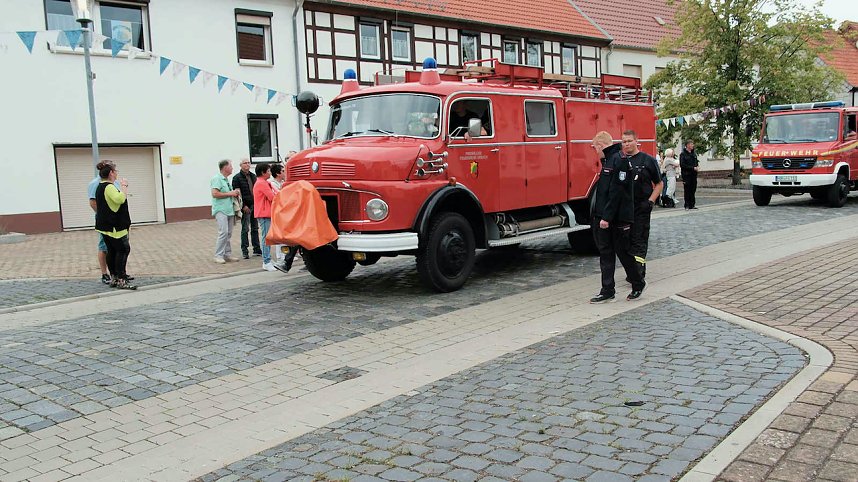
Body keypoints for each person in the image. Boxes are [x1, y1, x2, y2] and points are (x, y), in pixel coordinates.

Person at [589, 131, 645, 303]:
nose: (595, 151)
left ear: (600, 145)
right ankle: (607, 290)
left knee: (623, 252)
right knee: (606, 253)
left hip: (617, 218)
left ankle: (638, 283)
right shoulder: (608, 160)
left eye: (595, 148)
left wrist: (606, 217)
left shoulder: (618, 160)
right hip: (605, 216)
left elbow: (616, 193)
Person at [624, 130, 663, 281]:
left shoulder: (648, 160)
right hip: (626, 208)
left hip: (642, 207)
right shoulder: (621, 160)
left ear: (636, 141)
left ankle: (638, 273)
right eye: (624, 141)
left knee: (639, 239)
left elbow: (659, 184)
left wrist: (650, 201)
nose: (626, 144)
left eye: (629, 141)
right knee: (627, 241)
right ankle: (632, 271)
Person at [94, 163, 136, 290]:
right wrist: (124, 186)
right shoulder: (109, 187)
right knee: (123, 250)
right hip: (115, 227)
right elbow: (119, 199)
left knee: (111, 251)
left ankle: (114, 278)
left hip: (105, 225)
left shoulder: (100, 186)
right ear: (111, 173)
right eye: (115, 171)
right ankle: (121, 278)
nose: (117, 173)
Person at [88, 161, 114, 285]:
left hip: (116, 220)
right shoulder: (95, 184)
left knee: (117, 247)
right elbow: (93, 202)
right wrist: (103, 215)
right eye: (114, 169)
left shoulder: (114, 182)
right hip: (104, 219)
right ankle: (105, 273)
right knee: (104, 246)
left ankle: (117, 272)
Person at [211, 160, 241, 264]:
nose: (232, 168)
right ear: (225, 167)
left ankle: (227, 254)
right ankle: (218, 255)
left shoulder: (226, 179)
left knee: (228, 233)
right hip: (221, 209)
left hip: (229, 209)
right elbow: (215, 194)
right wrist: (230, 193)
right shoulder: (217, 179)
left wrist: (234, 194)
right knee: (223, 232)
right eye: (231, 166)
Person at [232, 159, 261, 258]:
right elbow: (237, 194)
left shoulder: (253, 176)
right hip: (246, 206)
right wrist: (243, 205)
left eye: (249, 163)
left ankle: (257, 249)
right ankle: (245, 251)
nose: (247, 164)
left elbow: (257, 191)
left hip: (255, 205)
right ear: (240, 165)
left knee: (255, 228)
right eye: (245, 163)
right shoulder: (237, 178)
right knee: (245, 229)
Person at [253, 163, 277, 271]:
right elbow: (272, 197)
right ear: (263, 172)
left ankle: (268, 259)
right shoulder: (261, 183)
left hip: (267, 213)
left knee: (268, 237)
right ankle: (266, 261)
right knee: (266, 237)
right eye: (268, 171)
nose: (270, 173)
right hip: (263, 214)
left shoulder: (265, 183)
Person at [680, 140, 699, 210]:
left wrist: (697, 167)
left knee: (693, 189)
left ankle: (692, 204)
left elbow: (696, 162)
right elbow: (682, 165)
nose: (692, 145)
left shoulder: (694, 154)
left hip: (693, 175)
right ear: (687, 145)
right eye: (691, 144)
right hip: (686, 175)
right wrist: (692, 168)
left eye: (693, 144)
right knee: (687, 190)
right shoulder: (683, 154)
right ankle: (687, 205)